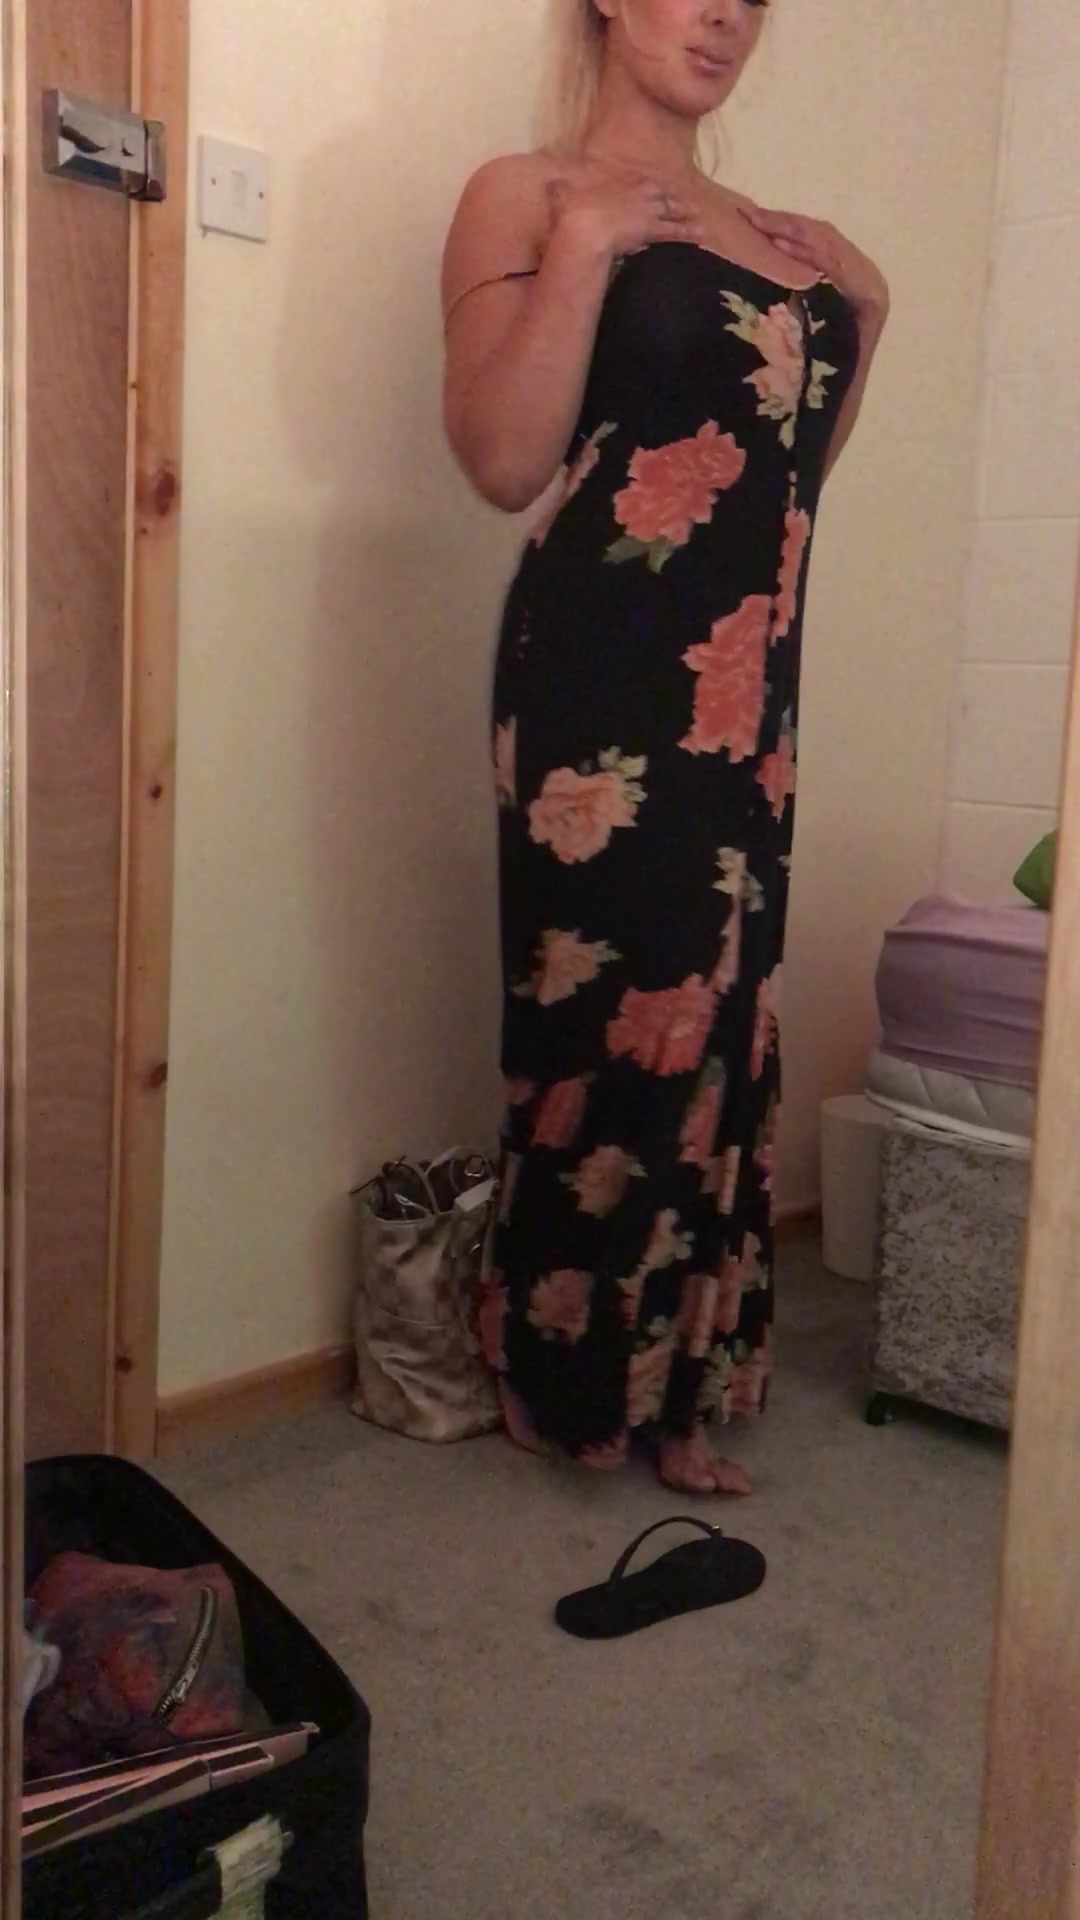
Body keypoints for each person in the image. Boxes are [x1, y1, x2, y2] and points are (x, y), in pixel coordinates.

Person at [441, 0, 889, 1496]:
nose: (725, 14)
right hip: (599, 677)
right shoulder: (530, 193)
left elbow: (783, 477)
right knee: (607, 1006)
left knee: (727, 1007)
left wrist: (868, 316)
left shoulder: (779, 235)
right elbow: (504, 458)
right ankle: (561, 1363)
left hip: (747, 686)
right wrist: (582, 254)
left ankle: (684, 1374)